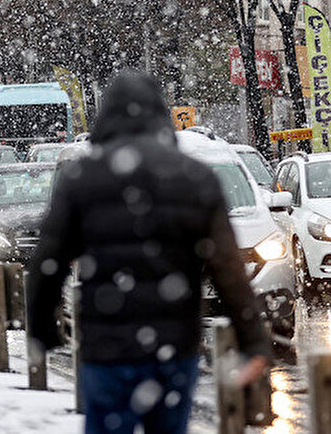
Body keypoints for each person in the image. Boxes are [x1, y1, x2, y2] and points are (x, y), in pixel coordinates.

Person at [26, 71, 271, 434]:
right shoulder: (195, 178)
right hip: (173, 345)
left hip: (106, 346)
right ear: (161, 117)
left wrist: (43, 329)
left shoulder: (82, 178)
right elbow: (227, 268)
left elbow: (50, 261)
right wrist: (253, 339)